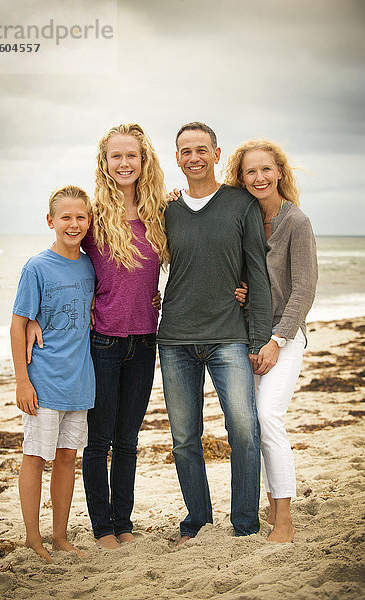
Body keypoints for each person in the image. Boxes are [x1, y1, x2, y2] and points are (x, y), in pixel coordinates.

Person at [27, 124, 168, 550]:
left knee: (129, 440)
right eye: (116, 156)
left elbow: (193, 257)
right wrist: (35, 317)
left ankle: (123, 523)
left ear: (144, 160)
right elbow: (60, 262)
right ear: (104, 163)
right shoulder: (94, 216)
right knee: (98, 440)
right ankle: (102, 528)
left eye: (132, 156)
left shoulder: (160, 211)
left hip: (145, 340)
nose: (124, 163)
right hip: (102, 343)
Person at [157, 122, 273, 544]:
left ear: (217, 153)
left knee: (244, 427)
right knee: (185, 437)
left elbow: (257, 273)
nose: (194, 157)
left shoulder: (241, 203)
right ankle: (198, 522)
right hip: (174, 340)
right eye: (185, 151)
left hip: (229, 335)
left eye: (201, 149)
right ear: (176, 158)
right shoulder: (165, 208)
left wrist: (260, 337)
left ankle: (244, 523)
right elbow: (138, 261)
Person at [223, 139, 318, 542]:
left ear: (279, 171)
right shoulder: (240, 218)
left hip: (285, 336)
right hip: (247, 335)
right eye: (250, 172)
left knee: (267, 417)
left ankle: (284, 518)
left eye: (266, 169)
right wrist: (241, 291)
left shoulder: (296, 222)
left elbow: (304, 289)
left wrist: (278, 339)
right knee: (250, 425)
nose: (259, 178)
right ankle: (268, 501)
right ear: (241, 179)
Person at [10, 185, 96, 563]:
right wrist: (22, 380)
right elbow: (18, 325)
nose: (73, 224)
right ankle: (33, 537)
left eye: (80, 217)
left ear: (89, 221)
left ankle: (59, 536)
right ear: (51, 221)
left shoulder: (89, 264)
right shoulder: (37, 267)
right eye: (66, 217)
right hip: (43, 381)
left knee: (66, 458)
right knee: (35, 456)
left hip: (80, 381)